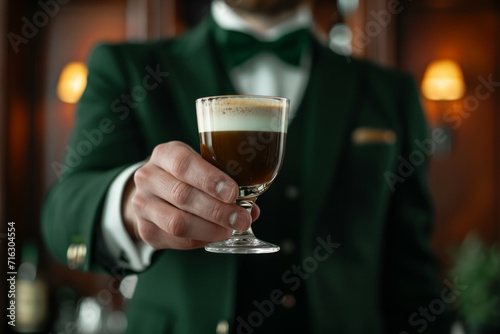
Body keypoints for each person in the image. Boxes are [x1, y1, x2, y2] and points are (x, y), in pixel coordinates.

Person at [42, 0, 452, 333]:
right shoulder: (128, 68)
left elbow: (411, 276)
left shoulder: (389, 92)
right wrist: (130, 202)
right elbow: (62, 217)